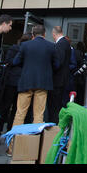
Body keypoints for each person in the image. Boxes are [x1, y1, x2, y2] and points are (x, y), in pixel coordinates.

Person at [9, 25, 58, 153]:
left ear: (32, 34)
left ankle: (12, 148)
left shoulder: (25, 46)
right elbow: (57, 64)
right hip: (42, 84)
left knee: (20, 114)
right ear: (44, 34)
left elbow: (15, 62)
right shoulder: (51, 46)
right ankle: (36, 149)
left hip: (26, 82)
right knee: (38, 116)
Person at [0, 33, 32, 146]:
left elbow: (8, 62)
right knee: (15, 111)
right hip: (21, 83)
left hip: (10, 83)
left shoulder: (14, 48)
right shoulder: (26, 50)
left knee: (4, 109)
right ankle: (9, 134)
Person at [47, 26, 71, 124]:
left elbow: (58, 62)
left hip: (57, 81)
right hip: (62, 80)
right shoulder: (66, 43)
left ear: (54, 34)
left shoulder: (60, 44)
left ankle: (53, 126)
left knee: (54, 106)